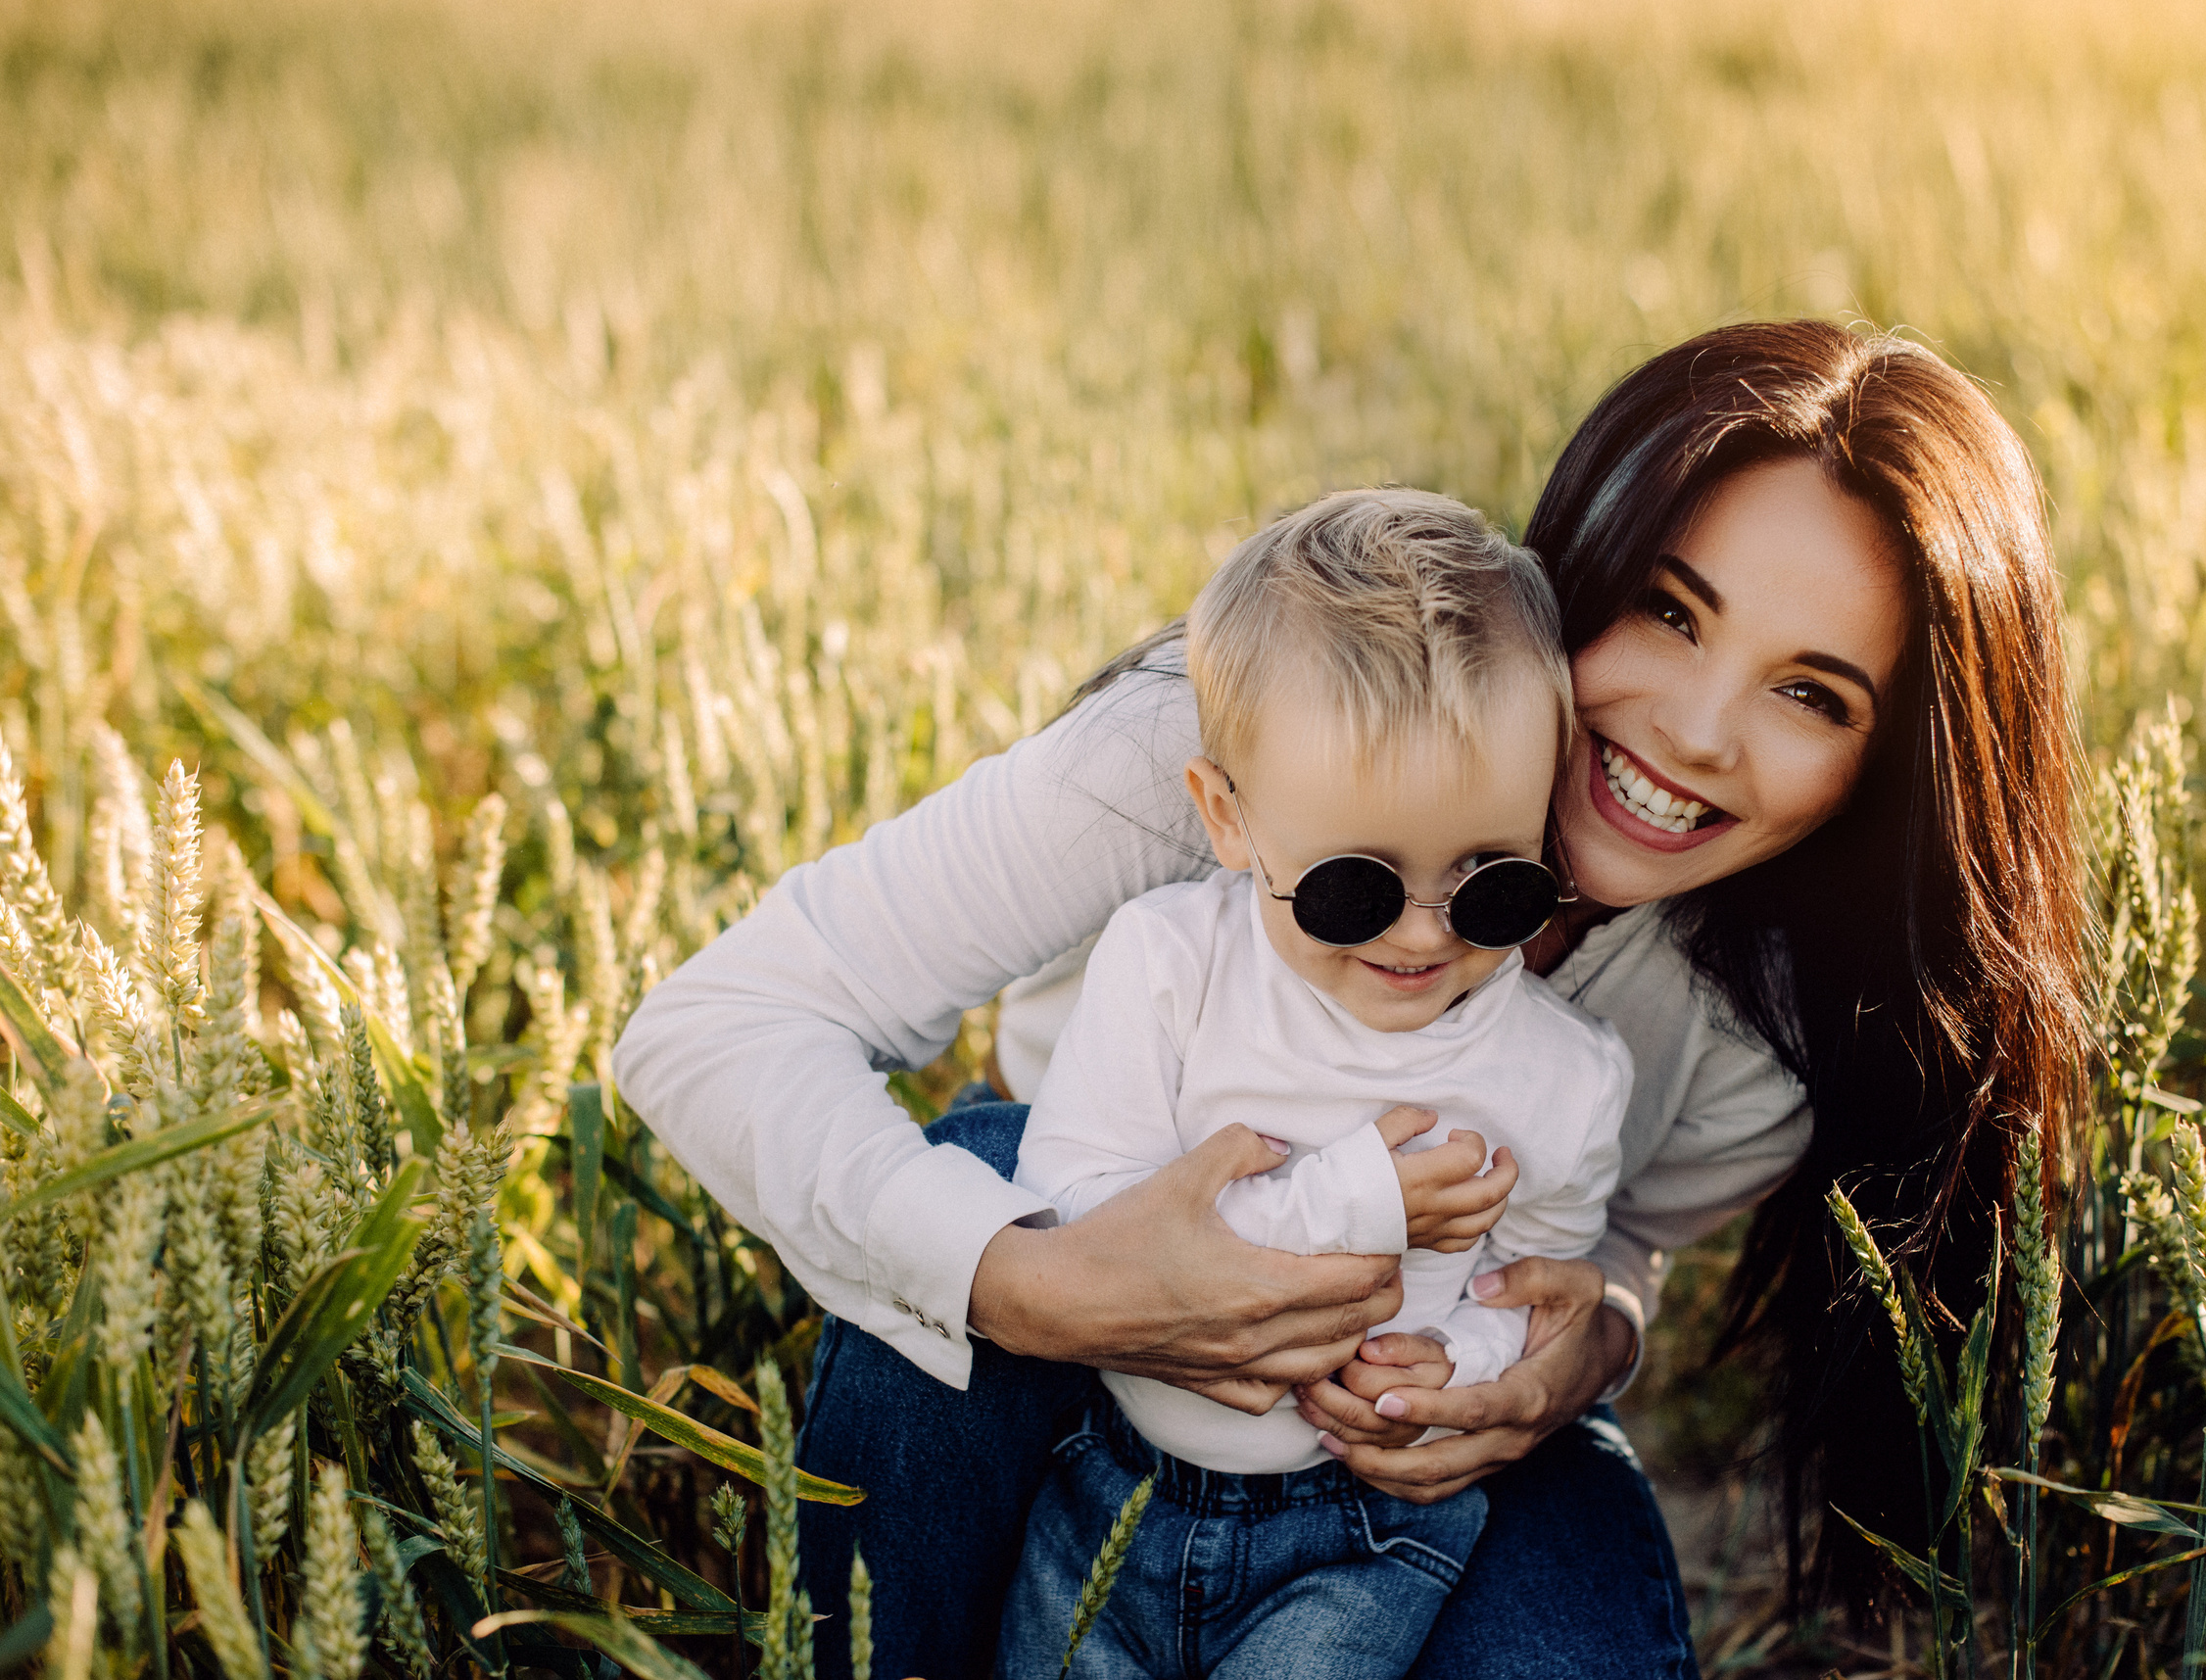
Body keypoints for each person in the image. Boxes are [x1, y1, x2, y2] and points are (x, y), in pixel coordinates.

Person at [612, 319, 2086, 1678]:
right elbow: (715, 1022)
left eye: (1812, 695)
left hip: (1405, 1444)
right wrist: (1033, 1281)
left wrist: (1593, 1342)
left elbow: (1609, 1228)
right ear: (1580, 553)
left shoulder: (1764, 1018)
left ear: (1890, 770)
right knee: (972, 1213)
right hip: (1046, 1341)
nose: (1696, 734)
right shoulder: (1205, 751)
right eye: (1668, 610)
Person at [995, 489, 1631, 1678]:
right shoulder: (1170, 966)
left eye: (1494, 879)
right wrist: (1356, 1202)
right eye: (1357, 886)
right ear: (1228, 819)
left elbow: (1535, 1281)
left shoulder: (1564, 1076)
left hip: (1368, 1534)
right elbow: (1069, 1214)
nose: (1427, 934)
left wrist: (1469, 1361)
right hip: (1109, 1489)